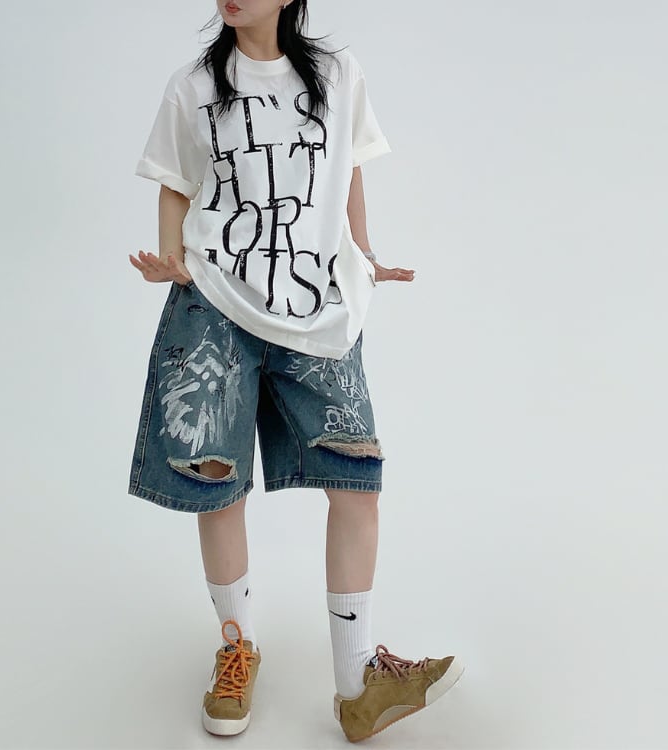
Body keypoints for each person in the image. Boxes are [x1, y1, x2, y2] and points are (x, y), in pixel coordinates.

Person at [127, 0, 463, 742]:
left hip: (315, 308)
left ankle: (359, 685)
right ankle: (236, 649)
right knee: (217, 484)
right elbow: (175, 182)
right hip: (214, 303)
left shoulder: (338, 76)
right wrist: (172, 258)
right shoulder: (193, 86)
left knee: (357, 480)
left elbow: (349, 169)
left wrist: (364, 254)